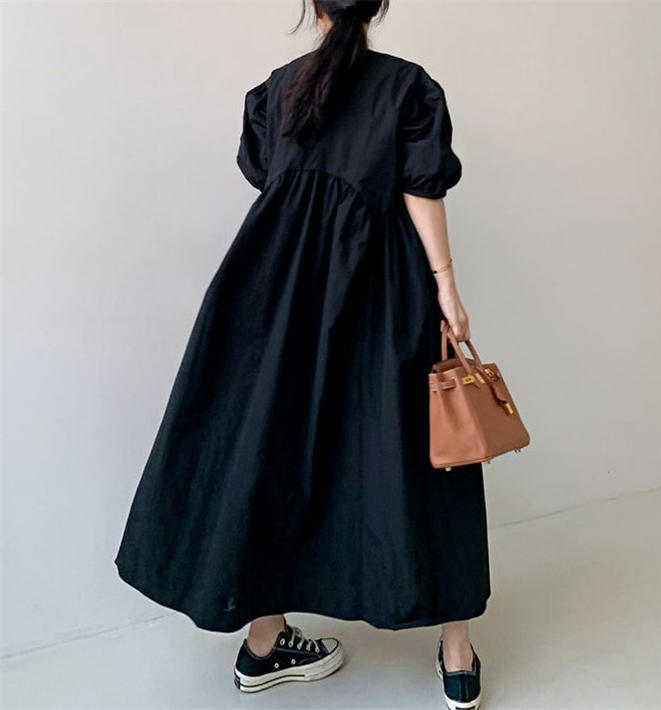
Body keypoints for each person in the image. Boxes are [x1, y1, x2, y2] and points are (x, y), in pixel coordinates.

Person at [114, 1, 490, 708]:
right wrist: (446, 285)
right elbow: (420, 187)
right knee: (421, 449)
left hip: (273, 288)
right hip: (381, 284)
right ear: (378, 6)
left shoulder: (275, 89)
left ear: (311, 6)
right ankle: (456, 654)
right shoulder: (408, 86)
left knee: (270, 445)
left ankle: (264, 645)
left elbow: (267, 175)